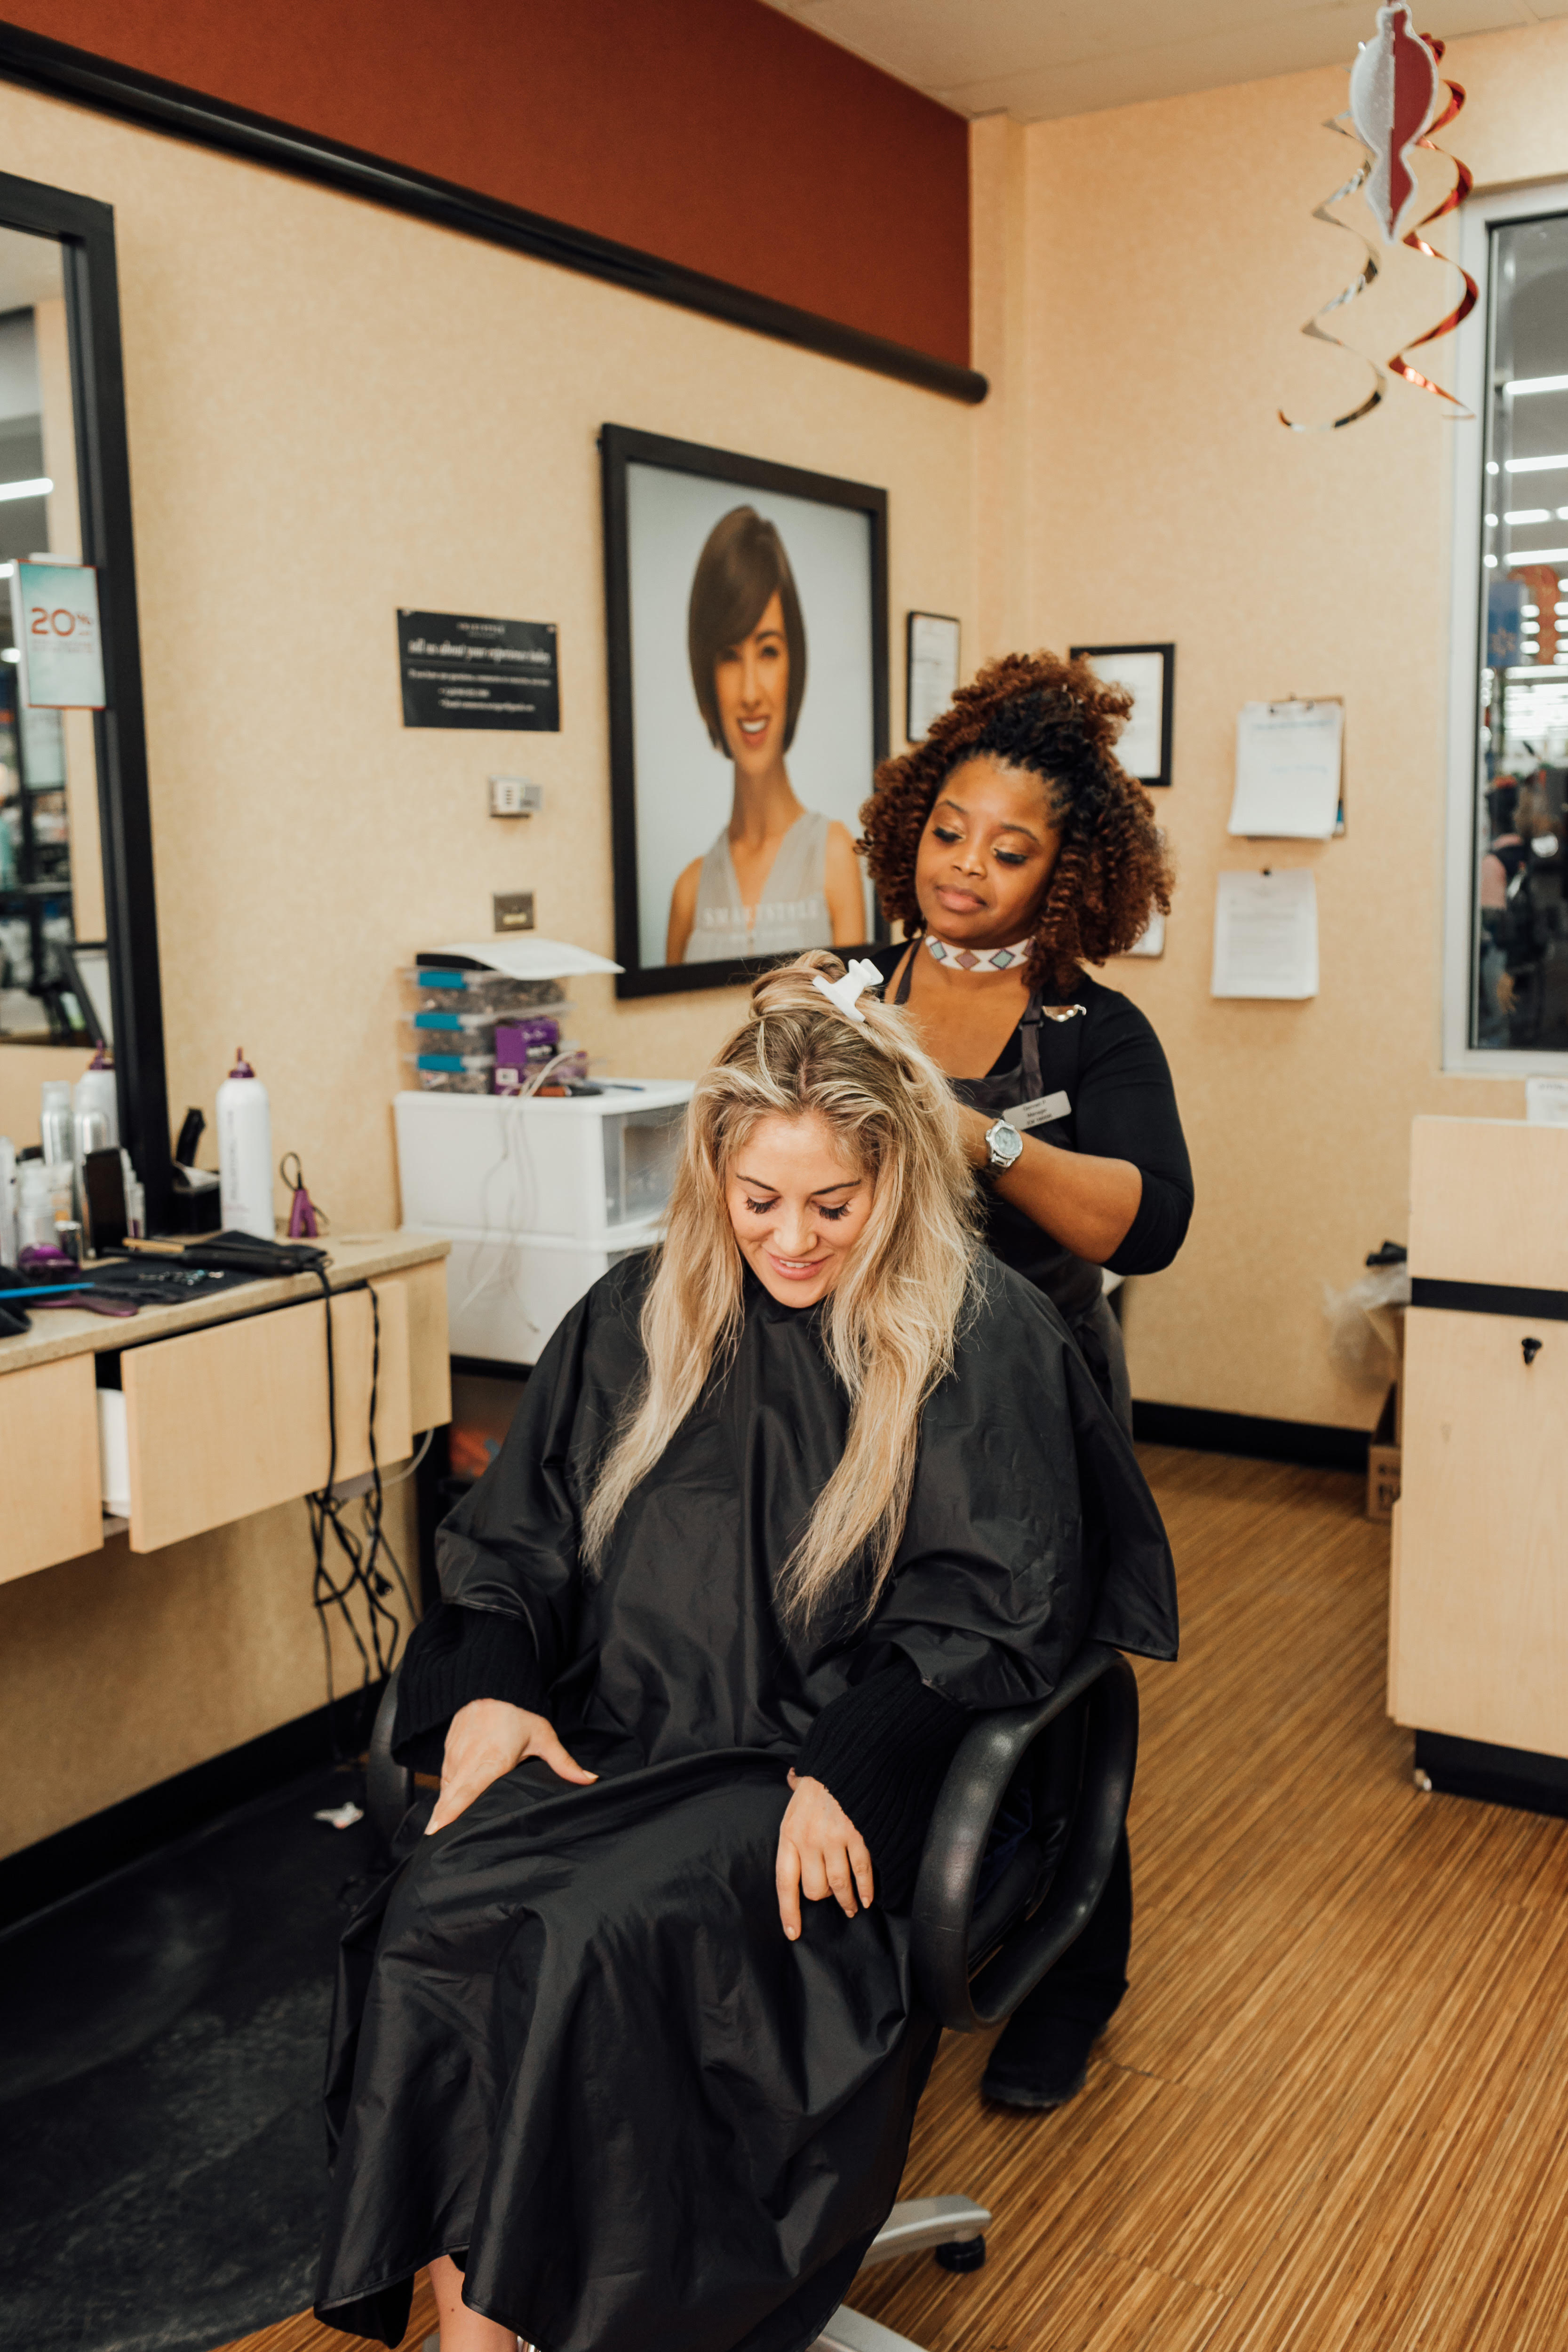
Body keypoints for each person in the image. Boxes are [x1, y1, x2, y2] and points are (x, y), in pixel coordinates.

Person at [314, 952, 1178, 2352]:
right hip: (620, 1733)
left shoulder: (979, 1337)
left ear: (894, 1175)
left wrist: (848, 1769)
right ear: (710, 1172)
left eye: (833, 1204)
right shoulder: (638, 1315)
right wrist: (487, 1692)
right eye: (757, 1198)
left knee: (592, 1940)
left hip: (812, 1777)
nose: (791, 1238)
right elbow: (512, 1544)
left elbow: (989, 1611)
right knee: (440, 1907)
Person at [858, 647, 1194, 2112]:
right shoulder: (848, 992)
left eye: (1010, 851)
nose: (965, 872)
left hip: (1029, 1410)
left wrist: (968, 1125)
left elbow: (1150, 1221)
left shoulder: (1091, 1030)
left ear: (1066, 876)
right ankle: (887, 1949)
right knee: (878, 1676)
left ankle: (1072, 1974)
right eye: (947, 834)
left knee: (1042, 1689)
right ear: (909, 824)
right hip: (858, 1401)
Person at [666, 507, 866, 964]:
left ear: (794, 665)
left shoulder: (834, 853)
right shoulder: (689, 890)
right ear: (706, 676)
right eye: (730, 656)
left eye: (769, 650)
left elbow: (853, 1023)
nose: (752, 692)